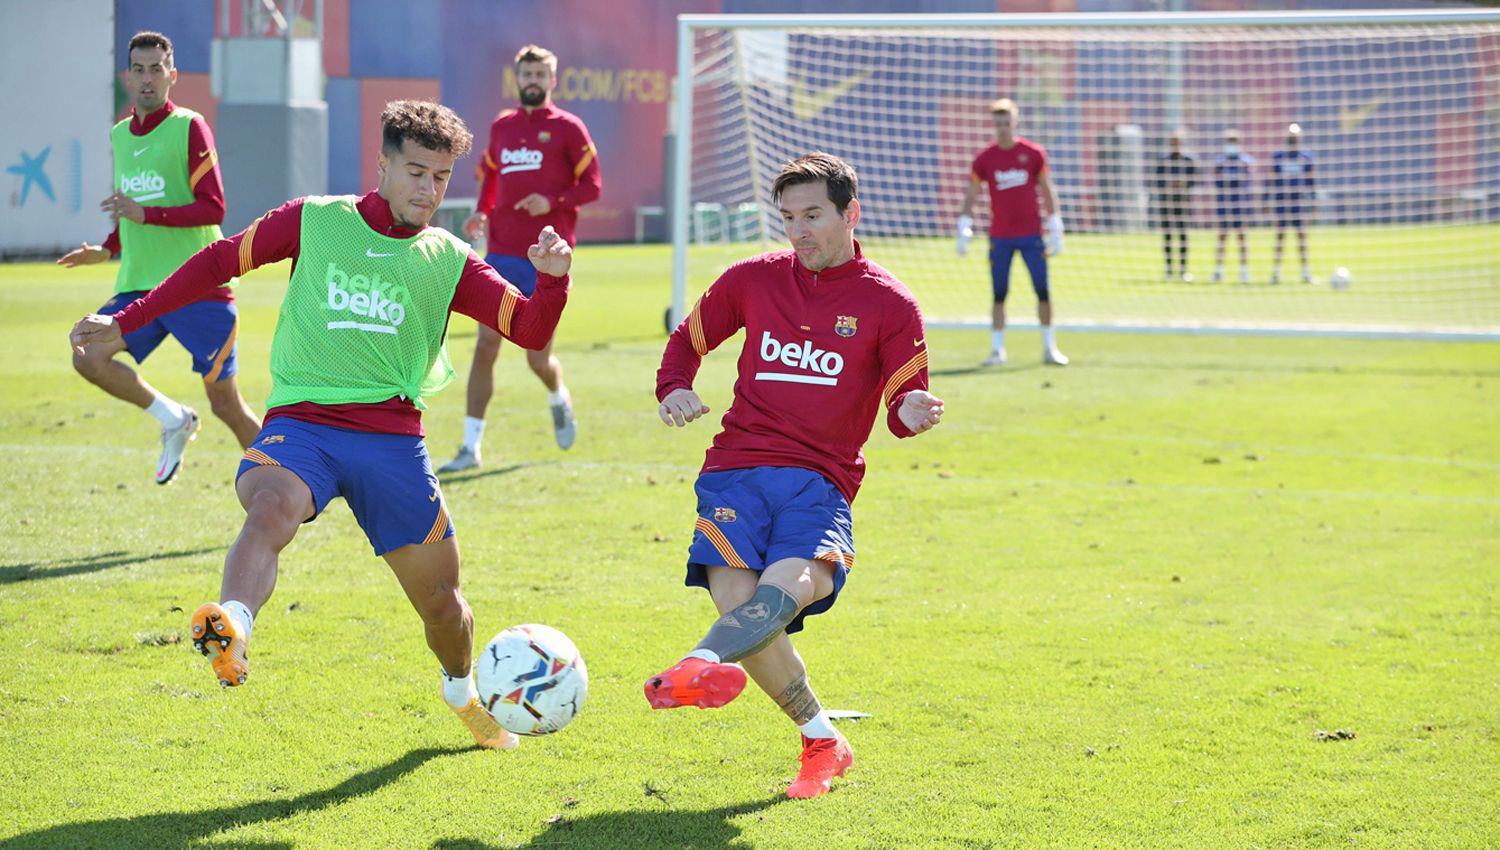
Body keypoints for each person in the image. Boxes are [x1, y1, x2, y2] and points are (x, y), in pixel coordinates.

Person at [69, 101, 573, 751]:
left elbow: (529, 328)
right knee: (272, 505)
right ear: (383, 163)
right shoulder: (312, 219)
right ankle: (236, 626)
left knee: (445, 605)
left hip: (393, 439)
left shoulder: (448, 258)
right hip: (301, 423)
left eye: (442, 177)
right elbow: (216, 262)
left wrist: (554, 283)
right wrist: (126, 321)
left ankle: (461, 691)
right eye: (415, 171)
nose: (428, 189)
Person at [644, 153, 945, 799]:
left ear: (850, 214)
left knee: (791, 585)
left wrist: (910, 410)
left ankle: (699, 663)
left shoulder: (890, 304)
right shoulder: (752, 279)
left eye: (812, 215)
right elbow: (687, 340)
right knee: (739, 606)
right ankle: (822, 741)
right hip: (734, 470)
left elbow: (902, 404)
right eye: (788, 218)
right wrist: (673, 387)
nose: (798, 230)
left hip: (819, 479)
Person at [58, 30, 259, 484]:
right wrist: (108, 247)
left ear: (172, 76)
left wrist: (145, 214)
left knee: (226, 403)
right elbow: (131, 208)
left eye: (156, 70)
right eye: (139, 70)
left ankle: (293, 479)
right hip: (140, 285)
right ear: (126, 77)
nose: (147, 79)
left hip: (199, 288)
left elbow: (214, 207)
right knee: (87, 354)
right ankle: (173, 419)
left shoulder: (190, 126)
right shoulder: (119, 136)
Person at [439, 44, 602, 473]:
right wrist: (481, 210)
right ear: (518, 78)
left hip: (548, 257)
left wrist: (552, 201)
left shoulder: (569, 128)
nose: (532, 80)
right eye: (526, 74)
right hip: (502, 253)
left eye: (539, 74)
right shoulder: (503, 127)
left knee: (535, 356)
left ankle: (557, 394)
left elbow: (593, 187)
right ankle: (470, 446)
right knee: (486, 345)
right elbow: (491, 178)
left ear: (552, 80)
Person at [957, 98, 1067, 367]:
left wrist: (1055, 223)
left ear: (1014, 123)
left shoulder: (1033, 153)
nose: (1003, 128)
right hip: (1001, 237)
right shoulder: (985, 158)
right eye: (999, 124)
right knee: (999, 293)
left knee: (1042, 290)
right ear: (993, 126)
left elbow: (1046, 188)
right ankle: (997, 350)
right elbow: (973, 191)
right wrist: (964, 223)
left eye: (1007, 123)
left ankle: (1049, 347)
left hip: (1032, 235)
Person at [1268, 123, 1315, 285]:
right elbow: (1271, 179)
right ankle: (1276, 273)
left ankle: (1305, 273)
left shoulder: (1306, 156)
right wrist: (1266, 199)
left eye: (1295, 137)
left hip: (1298, 201)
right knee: (1280, 236)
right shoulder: (1279, 156)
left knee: (1301, 236)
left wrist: (1313, 201)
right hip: (1282, 200)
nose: (1293, 140)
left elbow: (1310, 180)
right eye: (1291, 137)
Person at [1154, 128, 1198, 282]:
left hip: (1183, 201)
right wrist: (1168, 184)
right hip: (1166, 201)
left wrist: (1183, 184)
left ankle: (1184, 270)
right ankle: (1168, 270)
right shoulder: (1164, 160)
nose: (1176, 145)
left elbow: (1195, 180)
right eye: (1174, 142)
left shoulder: (1189, 160)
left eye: (1178, 142)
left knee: (1183, 234)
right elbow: (1157, 180)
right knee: (1167, 235)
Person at [1212, 128, 1254, 284]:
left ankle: (1244, 272)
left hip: (1240, 204)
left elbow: (1249, 179)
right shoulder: (1221, 161)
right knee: (1222, 237)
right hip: (1224, 203)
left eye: (1234, 142)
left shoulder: (1245, 161)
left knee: (1242, 237)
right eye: (1229, 142)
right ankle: (1218, 271)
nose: (1232, 145)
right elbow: (1216, 180)